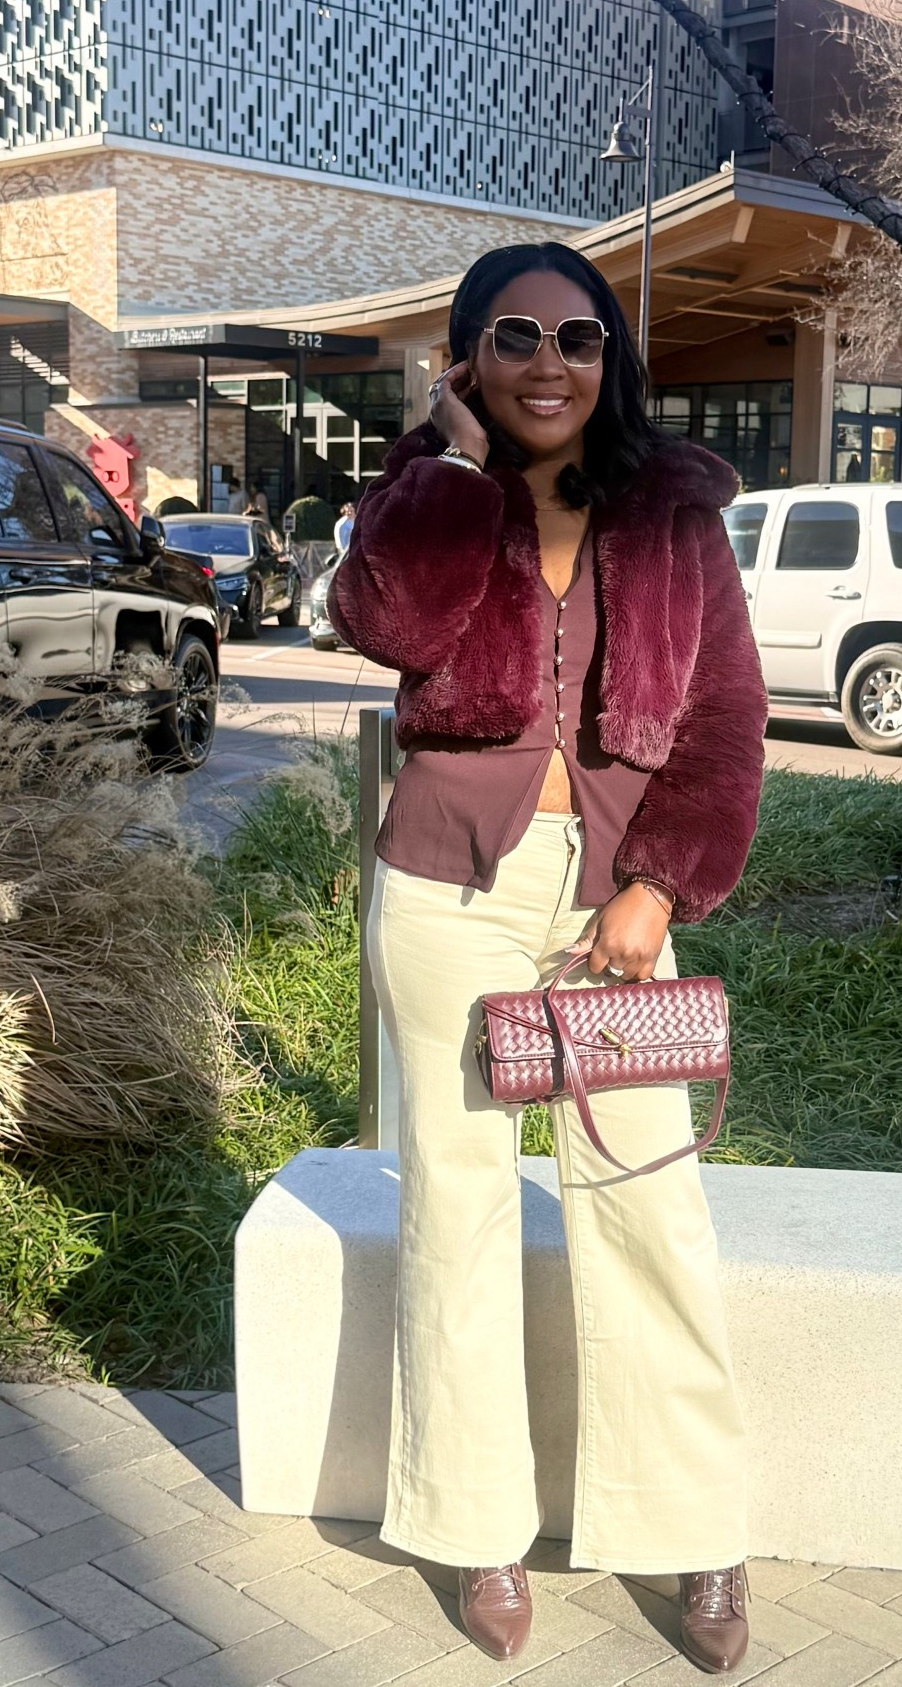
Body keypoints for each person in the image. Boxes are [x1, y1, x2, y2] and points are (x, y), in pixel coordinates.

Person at [328, 240, 766, 1674]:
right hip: (450, 884)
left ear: (611, 361)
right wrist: (449, 467)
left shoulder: (671, 513)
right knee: (458, 1203)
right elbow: (385, 622)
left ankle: (693, 1524)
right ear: (467, 358)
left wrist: (656, 892)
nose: (547, 363)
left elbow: (726, 721)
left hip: (613, 903)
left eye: (576, 339)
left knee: (647, 1201)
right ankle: (476, 1523)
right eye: (512, 337)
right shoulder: (425, 497)